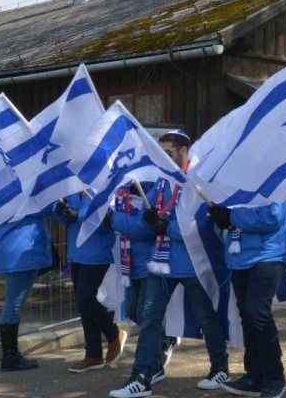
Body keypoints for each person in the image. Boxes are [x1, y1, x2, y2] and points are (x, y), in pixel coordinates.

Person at [109, 129, 230, 398]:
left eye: (168, 153)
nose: (163, 159)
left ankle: (220, 367)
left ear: (184, 151)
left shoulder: (198, 179)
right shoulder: (162, 180)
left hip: (191, 262)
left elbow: (204, 221)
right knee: (148, 318)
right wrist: (151, 221)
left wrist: (167, 227)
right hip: (161, 263)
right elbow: (146, 219)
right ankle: (142, 376)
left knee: (206, 318)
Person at [211, 196, 286, 398]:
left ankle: (275, 377)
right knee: (247, 317)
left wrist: (231, 216)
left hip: (269, 253)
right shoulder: (234, 182)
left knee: (257, 312)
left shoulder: (278, 177)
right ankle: (254, 376)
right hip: (239, 254)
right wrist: (219, 213)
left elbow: (273, 216)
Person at [107, 178, 176, 397]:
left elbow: (144, 229)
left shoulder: (153, 191)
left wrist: (113, 219)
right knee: (134, 312)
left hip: (150, 262)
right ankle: (166, 339)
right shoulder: (121, 193)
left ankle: (148, 370)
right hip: (131, 264)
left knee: (148, 316)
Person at [54, 191, 126, 373]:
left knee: (85, 298)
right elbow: (66, 221)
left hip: (97, 252)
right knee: (82, 303)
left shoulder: (100, 185)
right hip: (76, 252)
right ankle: (93, 354)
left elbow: (109, 221)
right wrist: (59, 211)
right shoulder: (72, 188)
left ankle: (113, 333)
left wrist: (78, 216)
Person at [0, 209, 52, 372]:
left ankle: (10, 356)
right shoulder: (30, 194)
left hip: (8, 246)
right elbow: (50, 207)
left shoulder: (7, 194)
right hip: (23, 251)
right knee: (13, 305)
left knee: (12, 303)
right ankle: (10, 357)